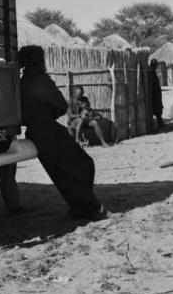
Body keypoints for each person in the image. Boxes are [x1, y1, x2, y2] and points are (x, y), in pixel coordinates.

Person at [18, 45, 107, 221]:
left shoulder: (21, 82)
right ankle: (93, 208)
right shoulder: (40, 80)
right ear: (38, 60)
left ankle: (78, 208)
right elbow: (61, 106)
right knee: (81, 164)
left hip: (34, 132)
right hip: (48, 130)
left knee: (61, 172)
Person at [149, 59, 164, 130]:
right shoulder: (151, 72)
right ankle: (159, 122)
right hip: (154, 93)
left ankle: (159, 122)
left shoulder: (152, 72)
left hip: (155, 92)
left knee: (157, 107)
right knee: (156, 107)